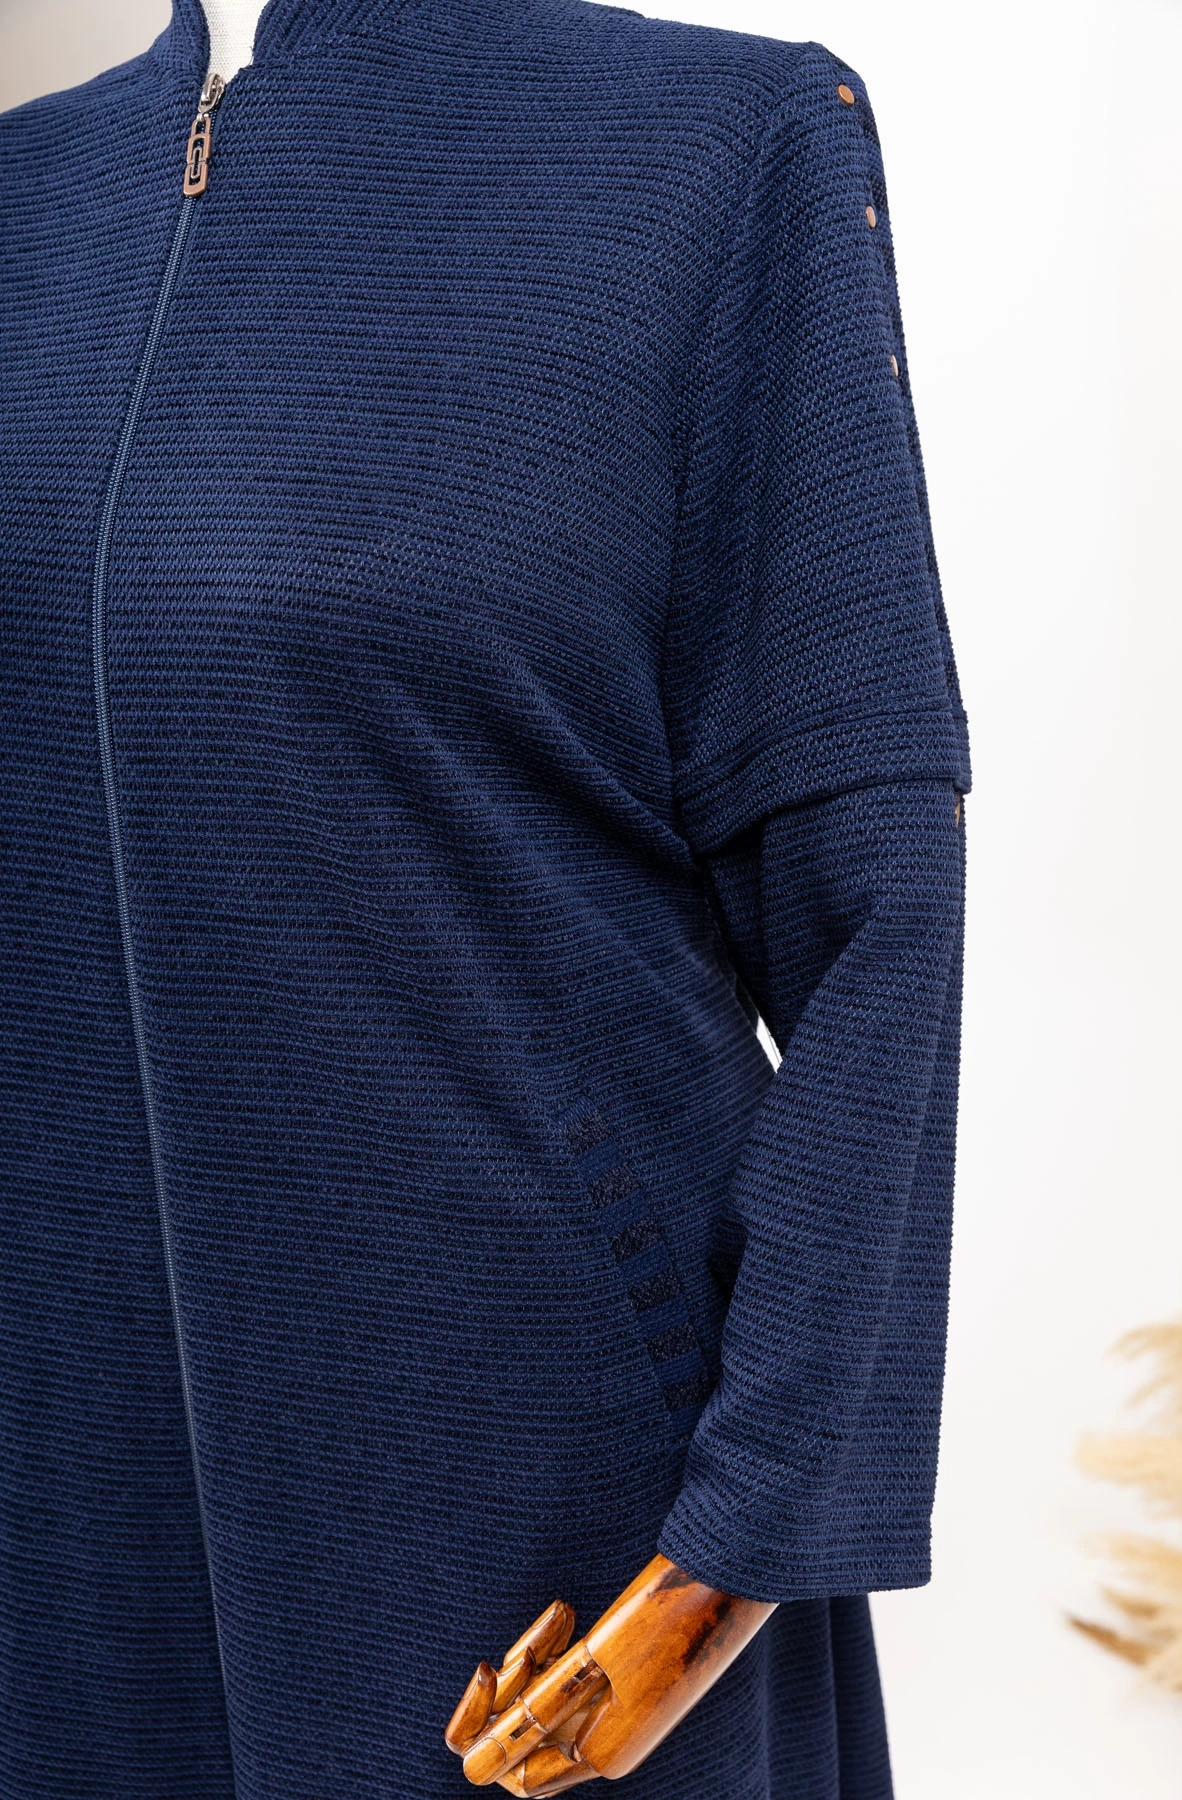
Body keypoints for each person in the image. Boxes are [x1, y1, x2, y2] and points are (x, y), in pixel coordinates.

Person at [0, 0, 971, 1793]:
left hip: (523, 1517)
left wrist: (735, 1551)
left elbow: (876, 916)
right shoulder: (28, 200)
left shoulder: (714, 152)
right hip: (67, 1467)